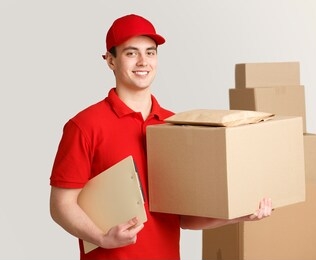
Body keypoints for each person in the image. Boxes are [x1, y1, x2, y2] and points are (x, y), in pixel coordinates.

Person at [49, 13, 272, 260]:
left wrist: (239, 213)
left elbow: (185, 217)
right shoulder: (85, 125)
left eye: (150, 52)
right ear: (110, 61)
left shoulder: (176, 125)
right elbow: (61, 205)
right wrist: (102, 238)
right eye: (131, 53)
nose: (143, 61)